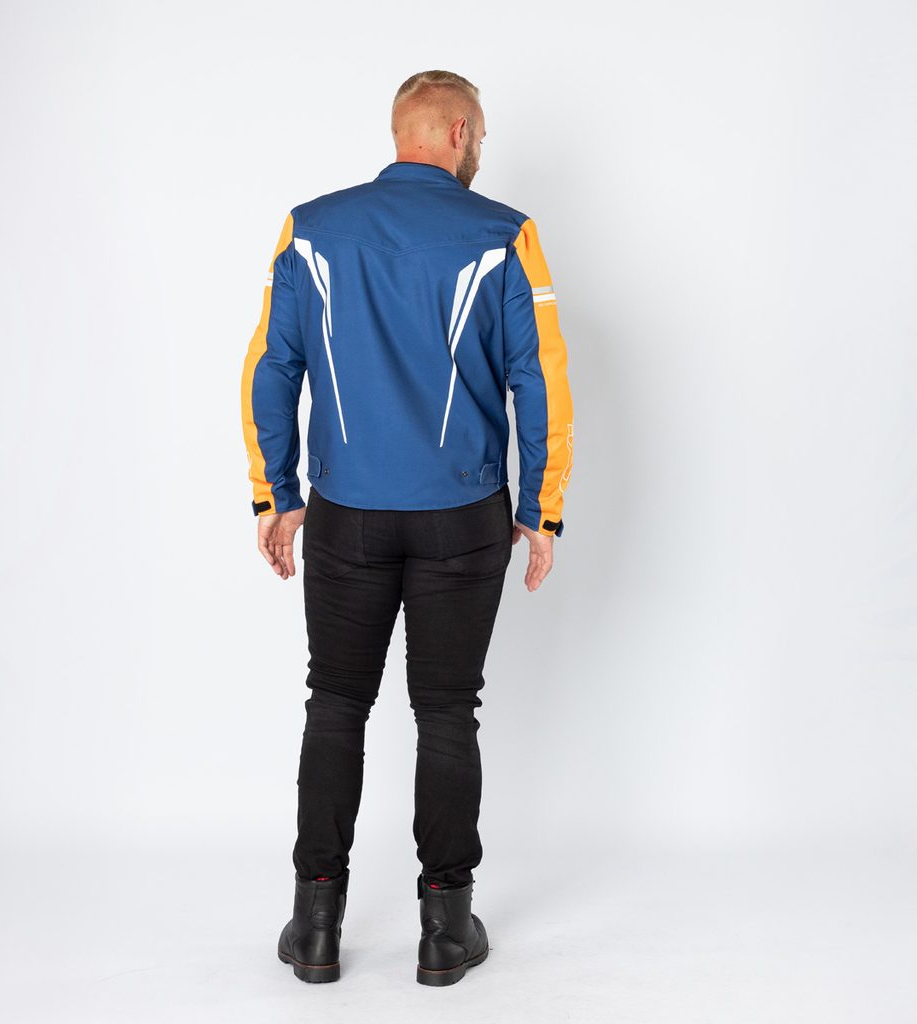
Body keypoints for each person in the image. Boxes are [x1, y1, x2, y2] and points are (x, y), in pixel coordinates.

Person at [240, 69, 574, 986]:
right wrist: (541, 509)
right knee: (447, 711)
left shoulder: (311, 228)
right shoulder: (505, 233)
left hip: (345, 514)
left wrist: (277, 494)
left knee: (335, 704)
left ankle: (316, 924)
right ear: (458, 132)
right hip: (462, 518)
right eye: (480, 136)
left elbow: (271, 366)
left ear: (404, 134)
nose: (480, 149)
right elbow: (540, 375)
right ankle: (444, 929)